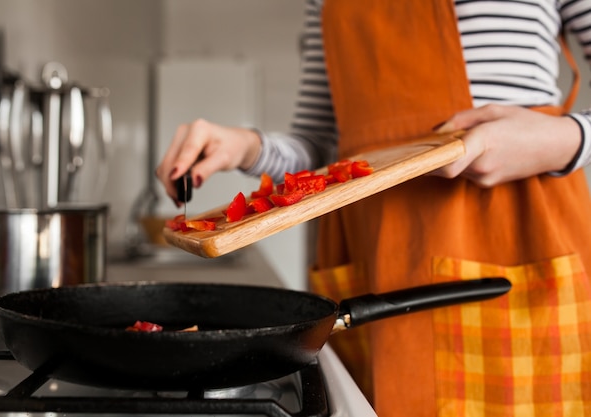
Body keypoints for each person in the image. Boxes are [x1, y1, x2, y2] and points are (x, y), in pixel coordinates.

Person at [156, 1, 591, 415]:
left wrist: (558, 141)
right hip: (373, 255)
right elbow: (323, 148)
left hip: (513, 234)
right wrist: (246, 148)